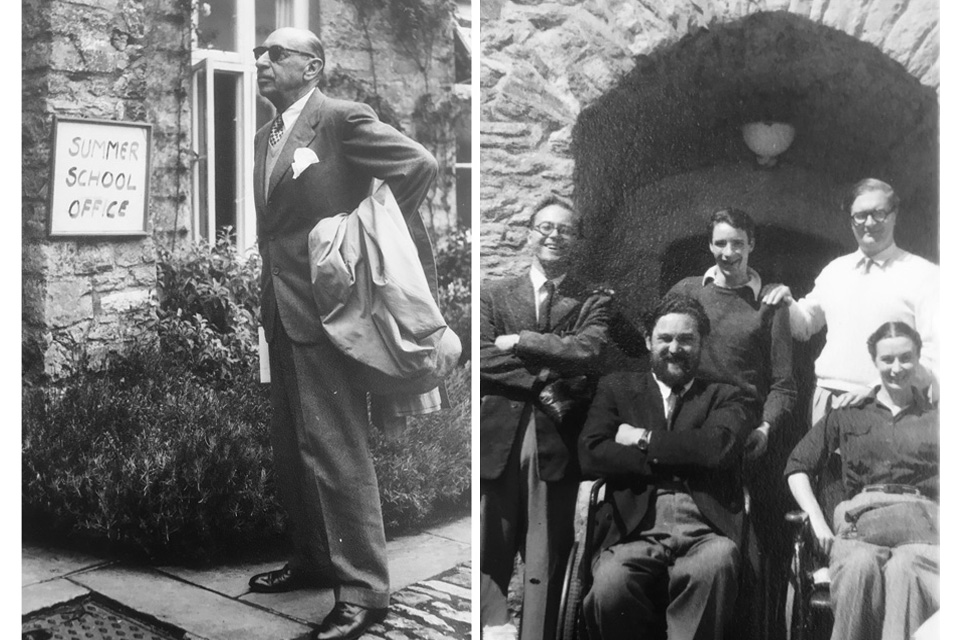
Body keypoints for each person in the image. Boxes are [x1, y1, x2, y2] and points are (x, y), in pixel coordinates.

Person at [247, 27, 438, 640]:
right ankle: (311, 560)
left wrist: (361, 236)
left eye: (276, 53)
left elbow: (418, 165)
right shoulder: (266, 136)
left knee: (336, 449)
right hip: (282, 311)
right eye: (259, 54)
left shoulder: (339, 118)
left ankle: (363, 592)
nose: (262, 62)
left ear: (312, 66)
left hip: (330, 310)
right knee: (292, 445)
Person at [579, 294, 756, 640]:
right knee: (611, 585)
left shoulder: (726, 395)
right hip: (635, 527)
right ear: (648, 340)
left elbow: (717, 448)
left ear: (701, 343)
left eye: (686, 339)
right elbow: (592, 453)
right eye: (665, 338)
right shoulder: (617, 388)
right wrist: (678, 457)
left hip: (706, 528)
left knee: (718, 564)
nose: (675, 348)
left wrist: (643, 439)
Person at [479, 195, 612, 640]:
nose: (554, 236)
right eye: (545, 227)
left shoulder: (593, 300)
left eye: (565, 230)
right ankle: (487, 628)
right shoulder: (493, 293)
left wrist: (519, 340)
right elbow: (480, 357)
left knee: (546, 557)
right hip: (499, 438)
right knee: (487, 548)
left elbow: (588, 351)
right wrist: (545, 377)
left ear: (576, 240)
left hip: (555, 440)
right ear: (529, 233)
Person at [668, 208, 796, 637]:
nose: (728, 252)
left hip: (743, 432)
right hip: (690, 423)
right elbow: (663, 345)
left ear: (751, 245)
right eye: (720, 243)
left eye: (737, 243)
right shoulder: (688, 290)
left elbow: (784, 385)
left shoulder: (770, 302)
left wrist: (765, 428)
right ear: (710, 245)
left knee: (747, 548)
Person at [784, 321, 939, 640]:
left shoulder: (938, 418)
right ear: (875, 362)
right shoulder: (848, 412)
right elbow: (798, 465)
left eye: (906, 358)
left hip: (921, 523)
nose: (897, 368)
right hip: (861, 521)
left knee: (906, 571)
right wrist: (816, 517)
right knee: (860, 568)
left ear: (919, 357)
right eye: (887, 360)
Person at [763, 178, 939, 426]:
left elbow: (936, 357)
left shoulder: (925, 275)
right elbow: (804, 326)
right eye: (861, 215)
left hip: (890, 407)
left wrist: (879, 390)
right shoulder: (836, 270)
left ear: (894, 215)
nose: (869, 223)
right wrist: (787, 302)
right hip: (827, 401)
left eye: (878, 214)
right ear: (851, 220)